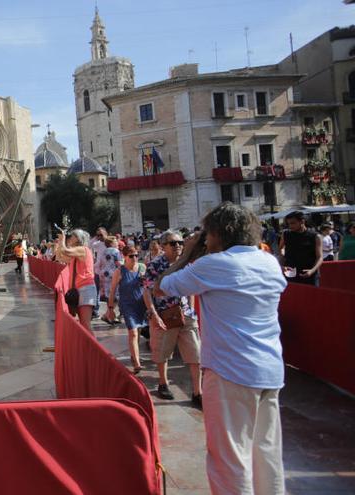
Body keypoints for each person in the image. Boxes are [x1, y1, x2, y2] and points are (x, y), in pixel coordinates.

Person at [157, 203, 286, 495]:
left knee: (229, 458)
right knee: (267, 453)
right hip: (269, 370)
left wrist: (189, 252)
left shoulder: (214, 265)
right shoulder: (268, 262)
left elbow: (161, 286)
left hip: (230, 371)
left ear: (217, 233)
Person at [142, 230, 202, 404]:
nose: (178, 246)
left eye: (181, 243)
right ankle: (163, 383)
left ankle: (198, 392)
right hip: (165, 314)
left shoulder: (187, 265)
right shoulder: (155, 265)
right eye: (173, 243)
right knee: (163, 352)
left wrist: (190, 308)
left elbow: (190, 288)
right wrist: (153, 314)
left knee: (195, 353)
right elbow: (146, 290)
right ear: (163, 246)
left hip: (186, 315)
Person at [105, 246, 147, 374]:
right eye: (131, 256)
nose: (134, 258)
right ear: (124, 257)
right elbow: (112, 291)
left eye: (136, 255)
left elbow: (147, 286)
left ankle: (135, 355)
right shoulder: (119, 271)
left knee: (138, 332)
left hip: (141, 304)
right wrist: (110, 308)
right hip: (127, 305)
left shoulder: (142, 268)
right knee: (133, 332)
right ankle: (137, 363)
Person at [54, 229, 96, 331]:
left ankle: (92, 346)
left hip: (86, 288)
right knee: (83, 324)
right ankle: (88, 346)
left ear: (78, 238)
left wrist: (63, 239)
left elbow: (65, 251)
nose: (70, 238)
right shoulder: (76, 253)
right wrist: (60, 242)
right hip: (80, 289)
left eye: (72, 236)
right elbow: (60, 257)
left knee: (85, 324)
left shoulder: (83, 250)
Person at [279, 211, 322, 286]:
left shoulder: (315, 236)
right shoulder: (286, 234)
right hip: (290, 274)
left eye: (293, 223)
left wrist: (312, 271)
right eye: (288, 224)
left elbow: (320, 257)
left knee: (311, 297)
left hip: (309, 274)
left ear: (302, 221)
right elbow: (281, 248)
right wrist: (282, 264)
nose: (290, 226)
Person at [98, 236, 122, 302]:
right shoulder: (116, 251)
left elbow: (100, 263)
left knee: (108, 290)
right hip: (114, 272)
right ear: (111, 243)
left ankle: (109, 307)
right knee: (115, 289)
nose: (117, 243)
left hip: (105, 272)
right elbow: (118, 262)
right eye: (116, 242)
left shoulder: (104, 251)